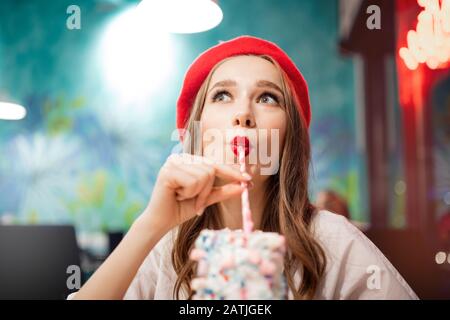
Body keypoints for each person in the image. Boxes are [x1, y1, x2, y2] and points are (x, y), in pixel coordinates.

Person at [71, 36, 418, 300]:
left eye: (268, 97)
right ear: (198, 131)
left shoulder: (332, 241)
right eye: (222, 95)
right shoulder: (166, 247)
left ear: (288, 139)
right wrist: (151, 224)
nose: (243, 113)